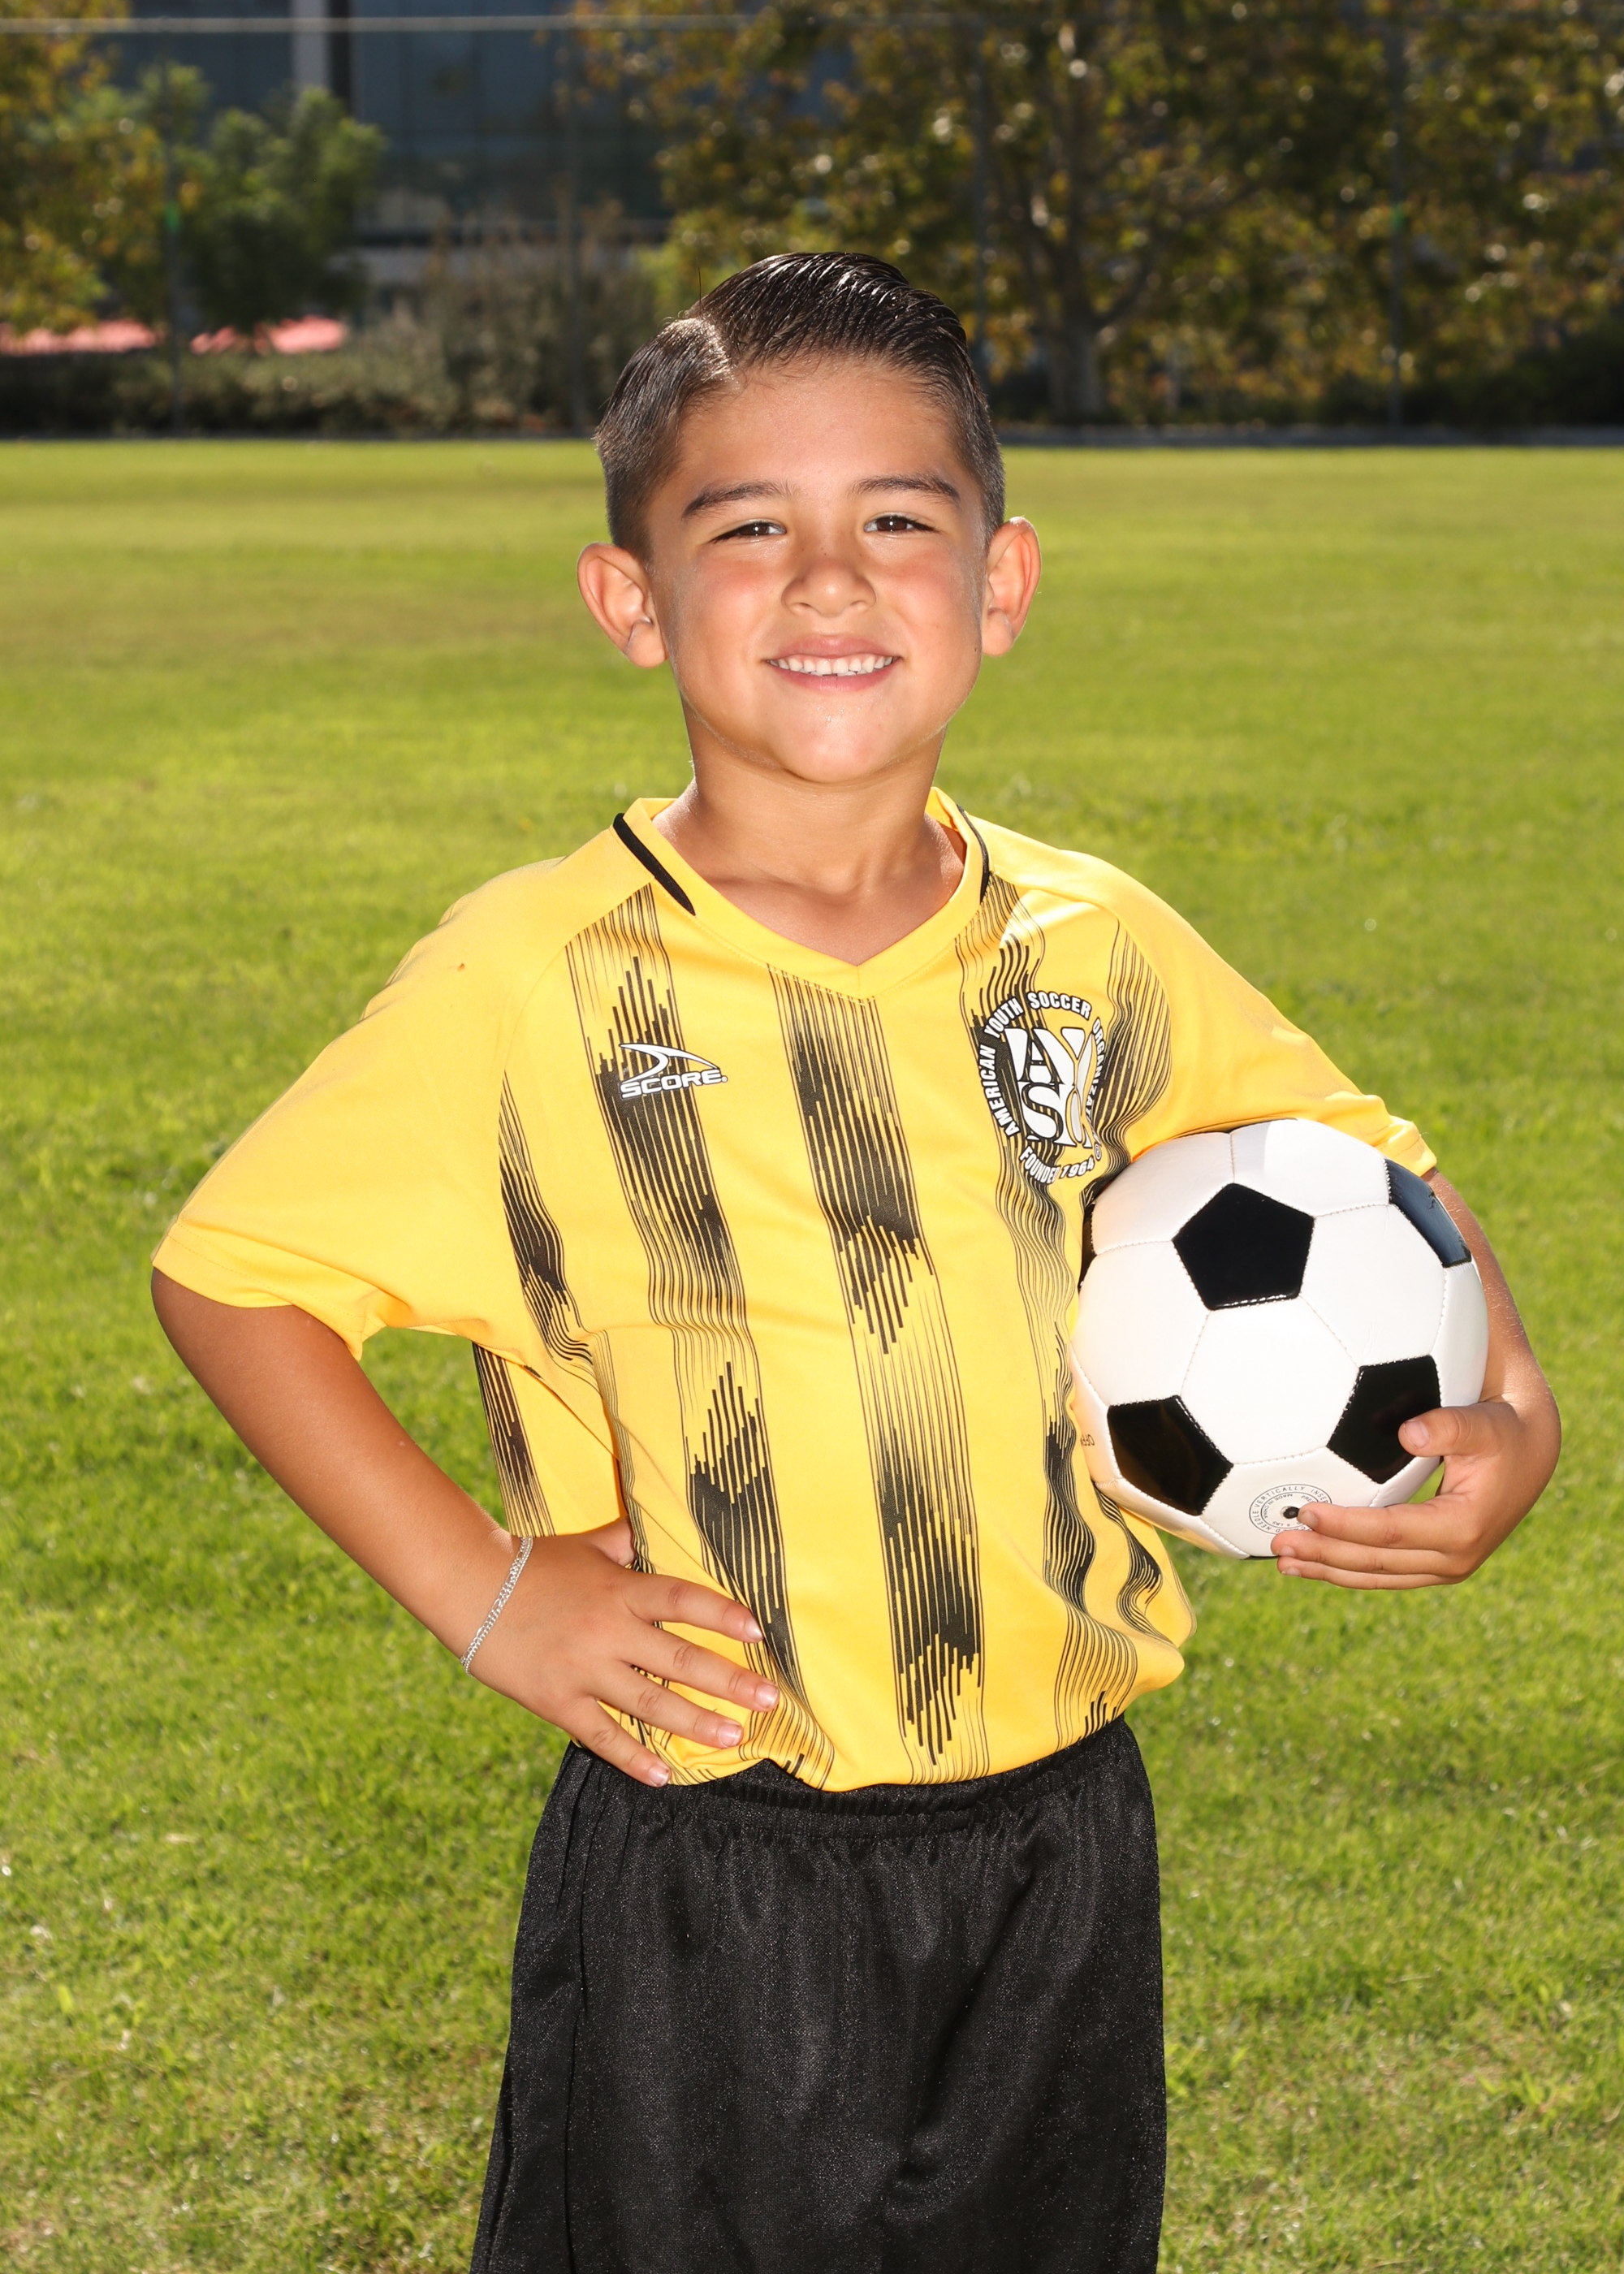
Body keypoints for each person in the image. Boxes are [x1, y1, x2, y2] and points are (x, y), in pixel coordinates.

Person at [151, 253, 1560, 2274]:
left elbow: (1374, 1170)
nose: (830, 580)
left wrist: (1516, 1408)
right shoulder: (532, 977)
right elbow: (234, 1273)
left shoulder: (1092, 944)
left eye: (897, 519)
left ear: (1000, 579)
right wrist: (493, 1594)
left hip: (1061, 1838)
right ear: (631, 597)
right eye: (749, 529)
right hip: (711, 1853)